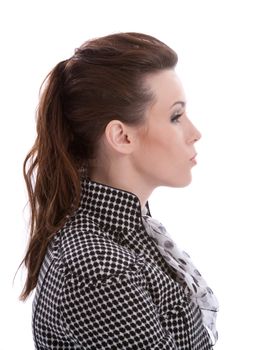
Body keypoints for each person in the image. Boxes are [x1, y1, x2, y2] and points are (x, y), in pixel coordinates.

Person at [21, 32, 218, 349]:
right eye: (176, 116)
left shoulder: (129, 235)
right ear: (122, 137)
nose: (195, 133)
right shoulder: (101, 270)